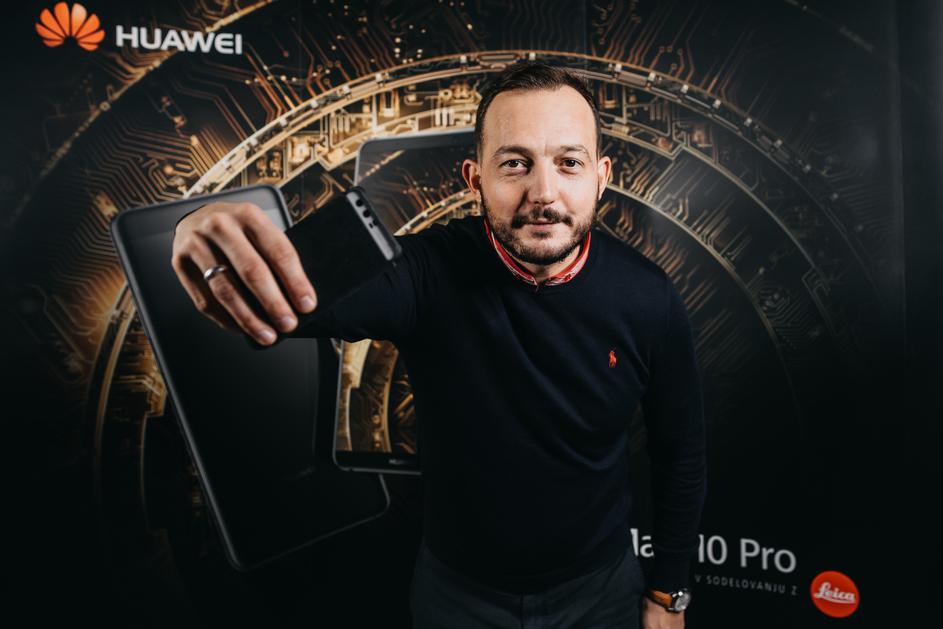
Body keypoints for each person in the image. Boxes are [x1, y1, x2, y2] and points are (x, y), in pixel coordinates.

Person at [171, 62, 707, 629]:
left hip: (601, 592)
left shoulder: (649, 297)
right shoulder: (426, 272)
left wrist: (668, 593)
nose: (544, 193)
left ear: (601, 177)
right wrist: (201, 229)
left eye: (568, 163)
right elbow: (281, 297)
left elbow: (682, 453)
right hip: (459, 598)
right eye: (515, 164)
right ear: (475, 179)